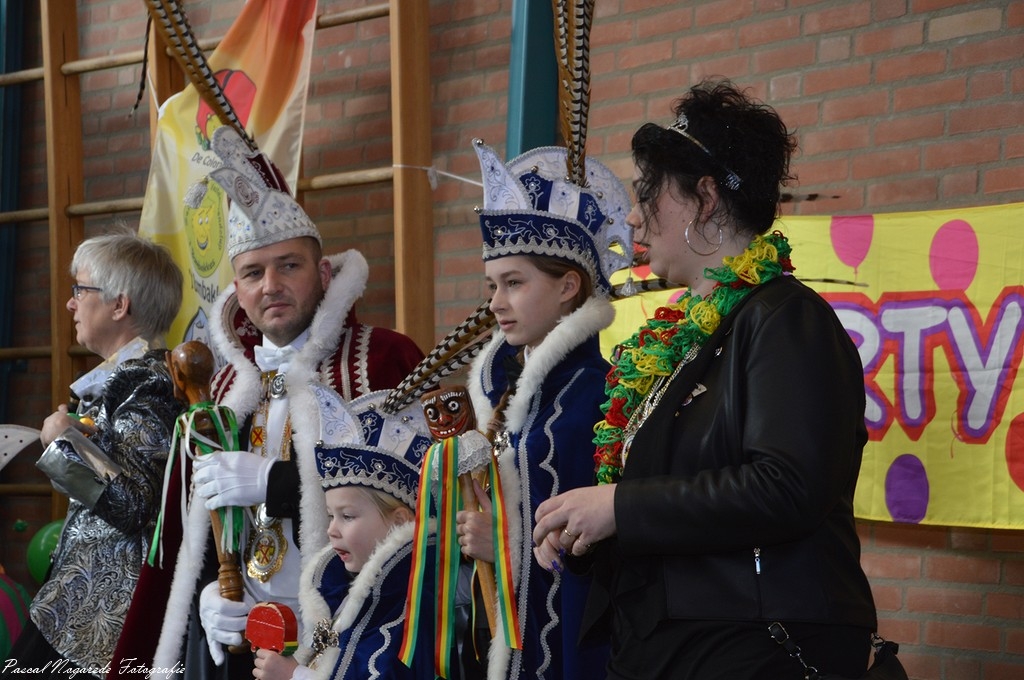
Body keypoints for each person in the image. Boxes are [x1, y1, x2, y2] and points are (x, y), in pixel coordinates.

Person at [531, 79, 878, 679]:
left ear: (705, 198)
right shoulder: (688, 336)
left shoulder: (785, 319)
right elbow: (672, 501)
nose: (633, 217)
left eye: (647, 193)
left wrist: (619, 507)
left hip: (751, 651)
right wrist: (588, 530)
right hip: (669, 647)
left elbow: (787, 486)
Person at [151, 127, 424, 680]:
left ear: (323, 273)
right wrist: (209, 594)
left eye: (289, 266)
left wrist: (274, 482)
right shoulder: (223, 389)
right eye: (253, 272)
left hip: (349, 641)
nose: (271, 284)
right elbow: (199, 523)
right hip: (247, 641)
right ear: (237, 289)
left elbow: (416, 504)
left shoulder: (382, 359)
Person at [455, 139, 632, 679]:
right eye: (492, 285)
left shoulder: (596, 396)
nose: (496, 302)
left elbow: (600, 553)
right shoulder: (505, 394)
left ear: (567, 286)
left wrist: (503, 544)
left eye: (514, 283)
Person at [3, 231, 184, 677]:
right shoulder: (122, 379)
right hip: (79, 607)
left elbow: (133, 503)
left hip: (102, 617)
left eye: (80, 290)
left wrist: (61, 442)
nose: (70, 303)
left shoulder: (147, 382)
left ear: (119, 305)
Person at [251, 388, 456, 680]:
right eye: (330, 515)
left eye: (347, 516)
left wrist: (294, 676)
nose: (331, 530)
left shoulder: (408, 603)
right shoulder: (343, 591)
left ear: (399, 522)